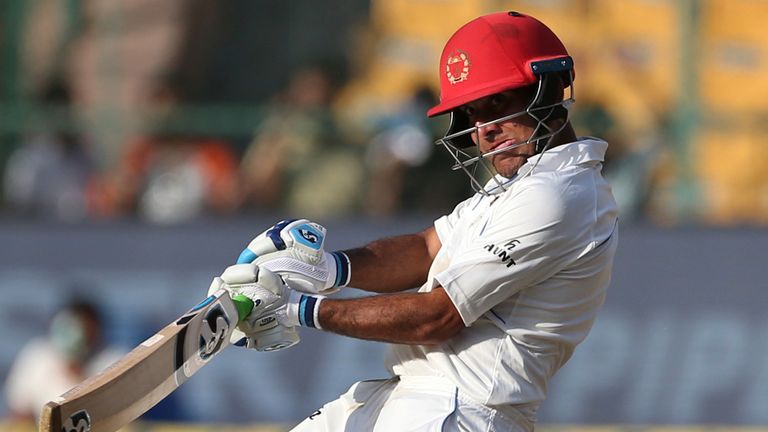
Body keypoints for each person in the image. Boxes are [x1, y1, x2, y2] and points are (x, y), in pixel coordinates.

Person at [210, 11, 619, 431]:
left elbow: (436, 317)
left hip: (464, 410)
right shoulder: (520, 184)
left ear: (547, 87)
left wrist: (298, 310)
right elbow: (426, 248)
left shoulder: (557, 194)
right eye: (471, 113)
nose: (484, 130)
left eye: (497, 102)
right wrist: (326, 267)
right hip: (409, 394)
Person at [4, 298, 123, 424]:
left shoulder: (115, 359)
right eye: (72, 327)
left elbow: (117, 413)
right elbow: (19, 412)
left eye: (86, 328)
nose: (80, 335)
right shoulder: (38, 355)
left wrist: (78, 376)